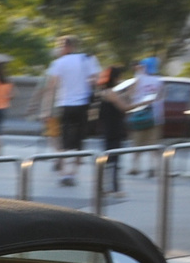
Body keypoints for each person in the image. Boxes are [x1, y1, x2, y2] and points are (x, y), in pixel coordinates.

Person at [36, 35, 101, 187]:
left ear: (65, 47)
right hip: (83, 105)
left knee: (65, 140)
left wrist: (46, 110)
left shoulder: (58, 63)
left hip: (64, 104)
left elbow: (51, 88)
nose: (58, 49)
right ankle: (72, 173)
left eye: (59, 46)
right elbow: (96, 80)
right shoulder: (88, 59)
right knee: (79, 140)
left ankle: (64, 174)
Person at [126, 56, 165, 176]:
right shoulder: (159, 80)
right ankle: (153, 168)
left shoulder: (138, 79)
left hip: (139, 115)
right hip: (155, 116)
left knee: (137, 143)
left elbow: (130, 95)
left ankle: (135, 167)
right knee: (153, 144)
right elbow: (161, 97)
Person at [97, 65, 131, 195]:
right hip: (114, 129)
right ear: (115, 77)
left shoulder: (104, 91)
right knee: (113, 160)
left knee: (109, 160)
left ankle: (105, 187)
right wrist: (143, 103)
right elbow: (124, 107)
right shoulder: (111, 93)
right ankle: (113, 188)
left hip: (108, 128)